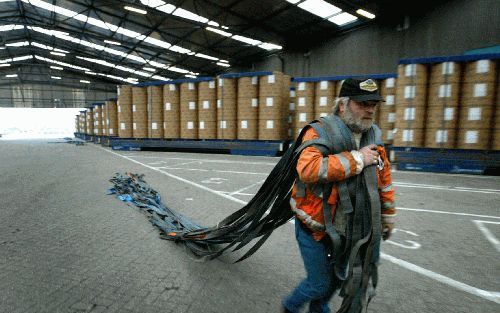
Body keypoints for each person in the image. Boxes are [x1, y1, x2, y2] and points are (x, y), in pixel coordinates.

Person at [282, 78, 396, 313]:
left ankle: (318, 309)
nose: (370, 109)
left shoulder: (373, 136)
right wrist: (357, 159)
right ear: (343, 105)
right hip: (314, 228)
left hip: (349, 229)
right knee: (318, 283)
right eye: (363, 103)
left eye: (374, 104)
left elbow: (383, 182)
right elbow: (308, 169)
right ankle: (290, 307)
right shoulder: (319, 131)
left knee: (336, 279)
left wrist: (387, 216)